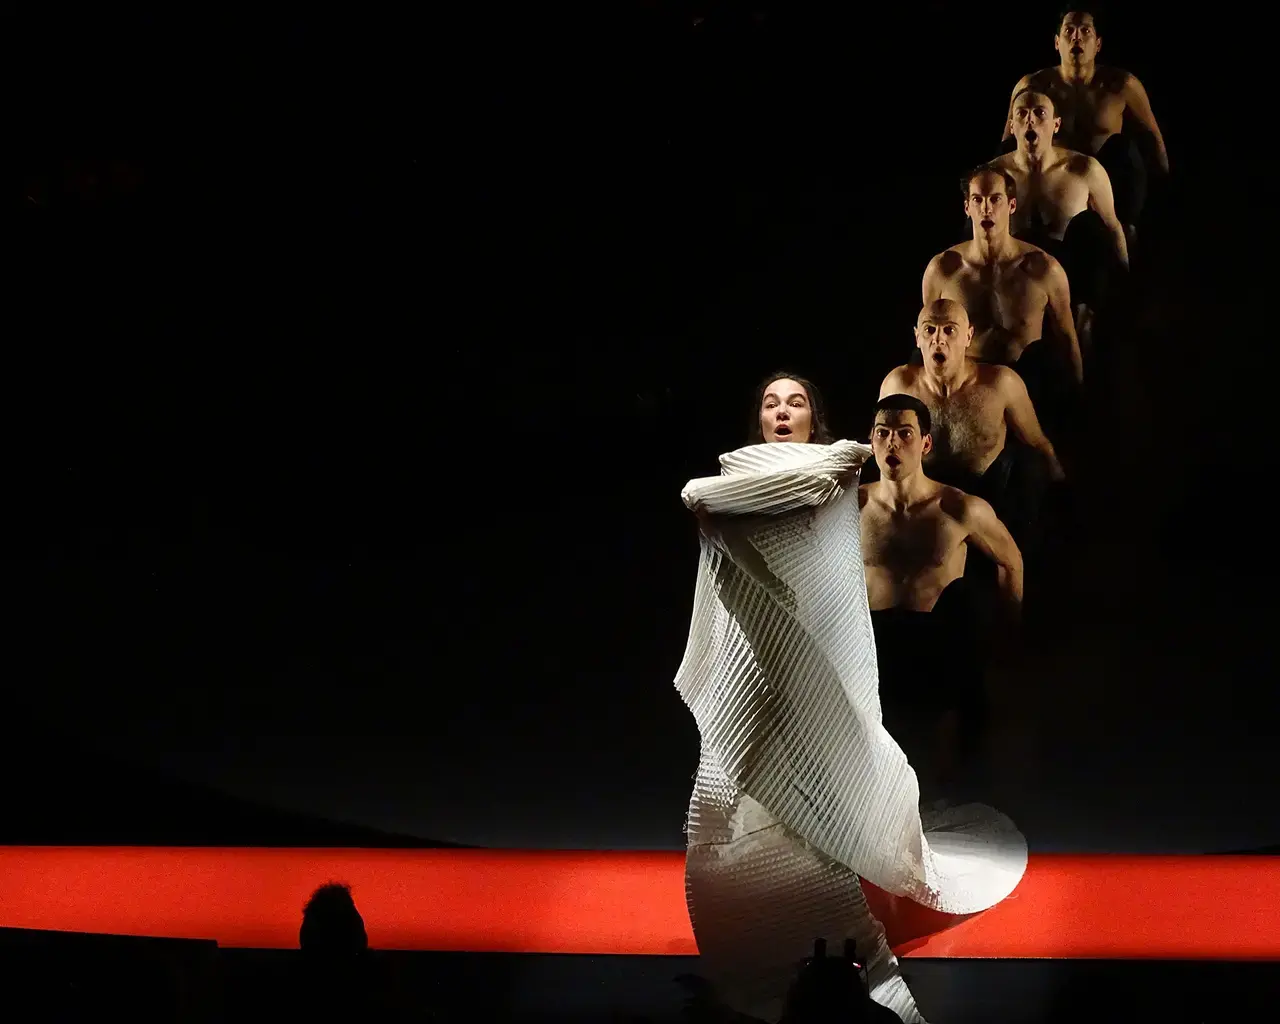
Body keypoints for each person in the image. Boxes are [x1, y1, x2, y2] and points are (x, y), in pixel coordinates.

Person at [860, 395, 1023, 799]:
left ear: (925, 444)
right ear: (871, 442)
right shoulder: (851, 505)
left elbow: (1011, 562)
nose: (892, 443)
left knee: (941, 771)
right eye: (883, 434)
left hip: (936, 641)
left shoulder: (958, 507)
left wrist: (1008, 636)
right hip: (872, 641)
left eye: (904, 434)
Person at [880, 301, 1063, 547]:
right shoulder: (898, 384)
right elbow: (879, 448)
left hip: (989, 493)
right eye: (930, 330)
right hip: (924, 495)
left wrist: (1063, 490)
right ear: (917, 338)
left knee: (1032, 468)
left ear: (968, 337)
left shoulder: (1001, 383)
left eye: (949, 330)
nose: (938, 339)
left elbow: (1038, 442)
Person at [922, 164, 1082, 438]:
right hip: (969, 386)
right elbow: (927, 343)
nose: (986, 209)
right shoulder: (942, 270)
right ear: (966, 208)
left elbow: (1067, 338)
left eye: (995, 199)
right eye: (978, 200)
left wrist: (1081, 398)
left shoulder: (1044, 269)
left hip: (1029, 384)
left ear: (1011, 205)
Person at [1000, 9, 1169, 240]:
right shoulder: (1033, 85)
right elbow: (1006, 145)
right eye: (1069, 31)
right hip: (1056, 180)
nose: (1076, 37)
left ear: (1098, 44)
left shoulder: (1122, 85)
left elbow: (1153, 138)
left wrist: (1168, 191)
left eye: (1085, 31)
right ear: (1057, 43)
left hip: (1108, 181)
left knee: (1124, 148)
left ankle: (1128, 228)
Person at [995, 87, 1128, 348]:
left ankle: (1086, 324)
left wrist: (1128, 281)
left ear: (1056, 125)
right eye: (1021, 114)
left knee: (1088, 226)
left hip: (1073, 272)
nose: (1030, 120)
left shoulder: (1084, 169)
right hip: (1020, 274)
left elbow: (1113, 228)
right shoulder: (995, 174)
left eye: (1039, 113)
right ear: (1012, 127)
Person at [750, 371, 834, 445]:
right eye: (771, 405)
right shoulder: (738, 461)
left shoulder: (837, 461)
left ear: (813, 423)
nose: (782, 412)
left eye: (795, 404)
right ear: (760, 423)